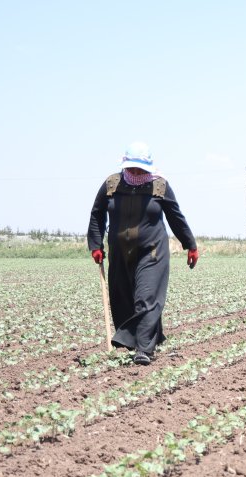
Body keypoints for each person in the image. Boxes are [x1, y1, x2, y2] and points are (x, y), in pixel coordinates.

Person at [87, 142, 197, 366]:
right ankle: (137, 340)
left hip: (152, 252)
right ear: (124, 166)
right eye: (132, 168)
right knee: (122, 298)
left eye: (140, 169)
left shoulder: (160, 186)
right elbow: (97, 215)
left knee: (146, 298)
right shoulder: (111, 184)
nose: (136, 173)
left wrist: (190, 245)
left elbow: (176, 217)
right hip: (120, 252)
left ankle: (144, 349)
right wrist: (95, 245)